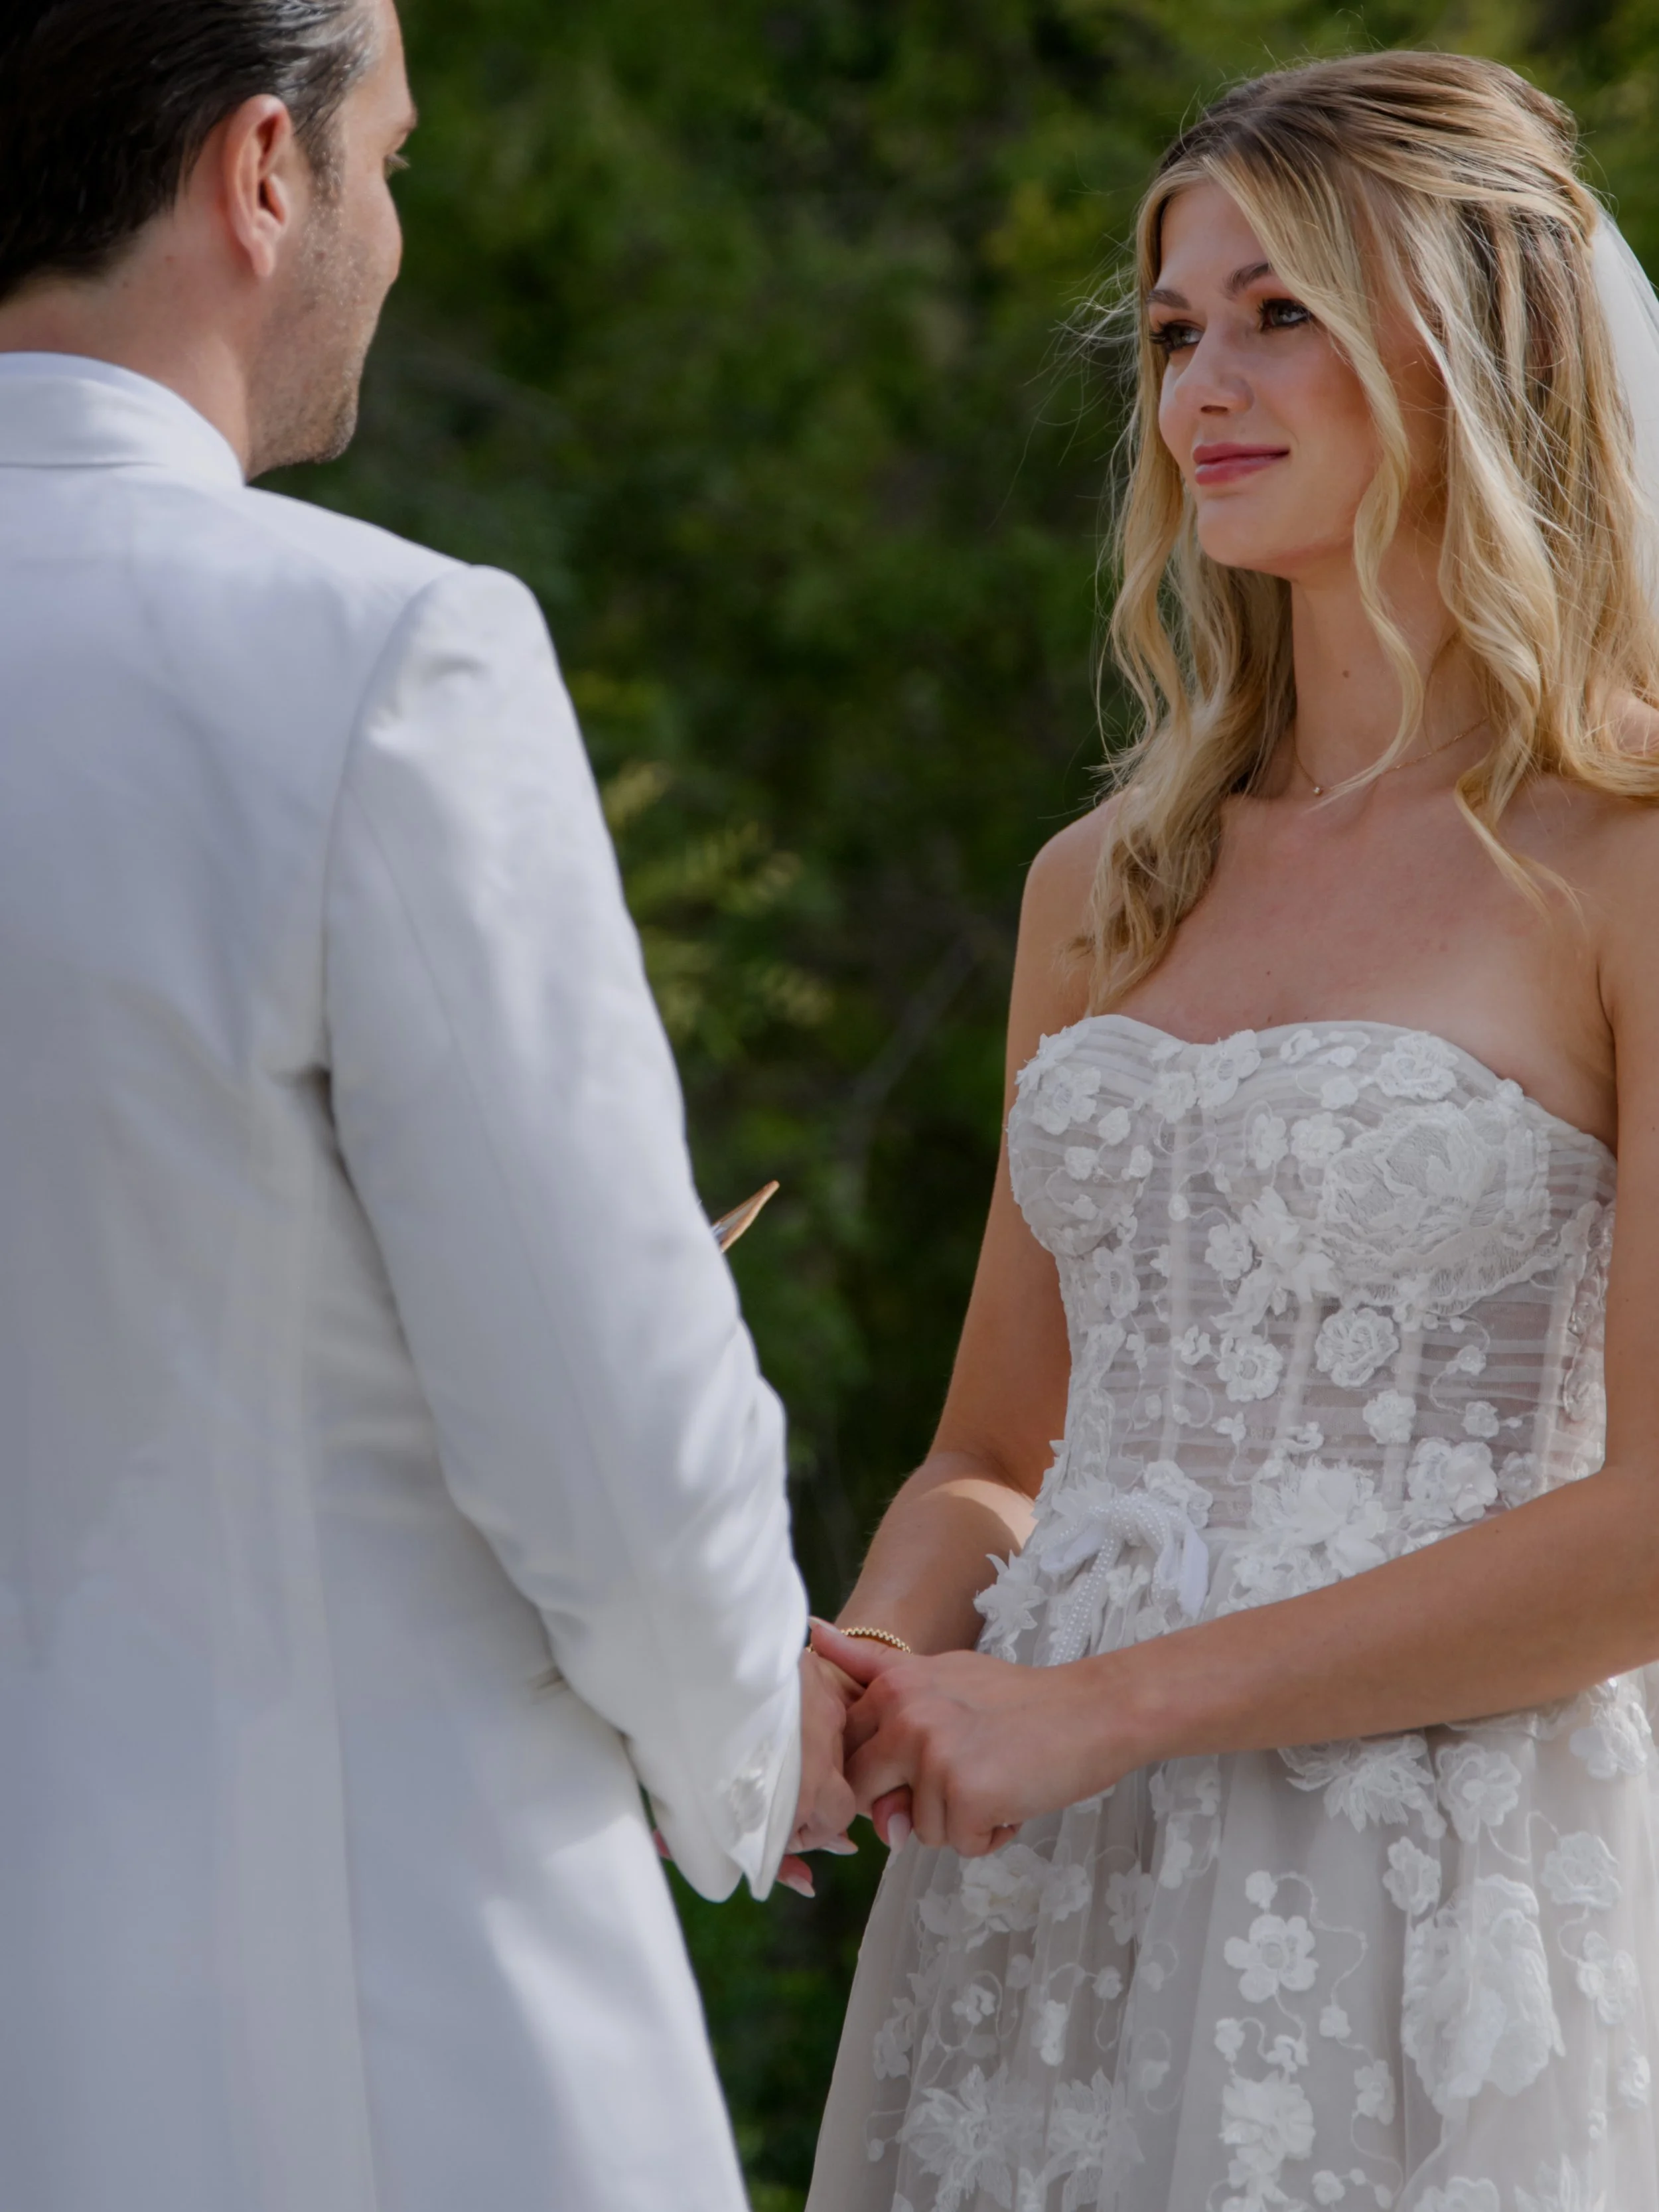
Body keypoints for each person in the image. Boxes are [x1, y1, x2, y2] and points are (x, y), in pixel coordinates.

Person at [0, 3, 854, 2208]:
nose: (390, 227)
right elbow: (602, 1398)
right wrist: (759, 1734)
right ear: (262, 172)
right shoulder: (378, 658)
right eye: (390, 159)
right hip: (337, 2020)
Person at [804, 50, 1659, 2212]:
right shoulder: (1102, 881)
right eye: (1176, 329)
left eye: (1279, 311)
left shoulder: (1626, 857)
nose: (1204, 382)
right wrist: (892, 1656)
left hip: (1413, 1891)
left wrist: (1112, 1707)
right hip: (1041, 1895)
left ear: (1470, 349)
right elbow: (997, 1445)